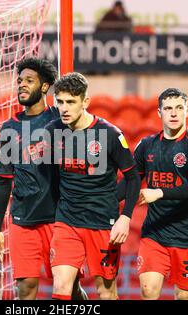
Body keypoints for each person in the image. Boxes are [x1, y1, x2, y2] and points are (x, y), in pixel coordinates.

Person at [0, 58, 87, 300]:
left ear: (45, 87)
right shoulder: (8, 128)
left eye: (29, 81)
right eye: (20, 81)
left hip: (59, 219)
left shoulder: (60, 118)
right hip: (23, 220)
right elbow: (4, 179)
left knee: (70, 287)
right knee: (25, 289)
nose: (22, 85)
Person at [46, 72, 141, 300]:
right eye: (60, 102)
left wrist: (125, 218)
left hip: (102, 222)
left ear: (85, 102)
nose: (64, 108)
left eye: (71, 102)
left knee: (106, 292)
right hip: (67, 221)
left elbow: (133, 177)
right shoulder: (52, 132)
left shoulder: (110, 134)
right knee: (61, 286)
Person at [120, 88, 188, 300]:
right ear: (159, 113)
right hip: (155, 233)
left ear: (187, 112)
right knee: (148, 291)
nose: (173, 113)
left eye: (179, 108)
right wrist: (102, 198)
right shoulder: (146, 145)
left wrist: (159, 193)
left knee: (185, 296)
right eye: (168, 108)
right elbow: (131, 182)